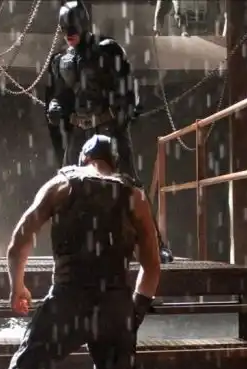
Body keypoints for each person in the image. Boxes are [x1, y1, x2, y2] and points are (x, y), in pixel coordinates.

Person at [5, 134, 162, 369]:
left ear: (83, 159)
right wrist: (134, 313)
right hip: (115, 306)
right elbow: (152, 267)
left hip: (68, 302)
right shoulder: (134, 196)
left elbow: (19, 240)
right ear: (114, 164)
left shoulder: (62, 185)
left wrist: (18, 286)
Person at [45, 0, 174, 263]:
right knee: (66, 184)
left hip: (109, 127)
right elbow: (62, 95)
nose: (69, 34)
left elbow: (128, 88)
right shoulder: (62, 61)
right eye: (65, 29)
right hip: (79, 130)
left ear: (83, 24)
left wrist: (124, 115)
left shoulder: (107, 50)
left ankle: (155, 245)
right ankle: (68, 249)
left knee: (130, 184)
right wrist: (56, 107)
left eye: (73, 28)